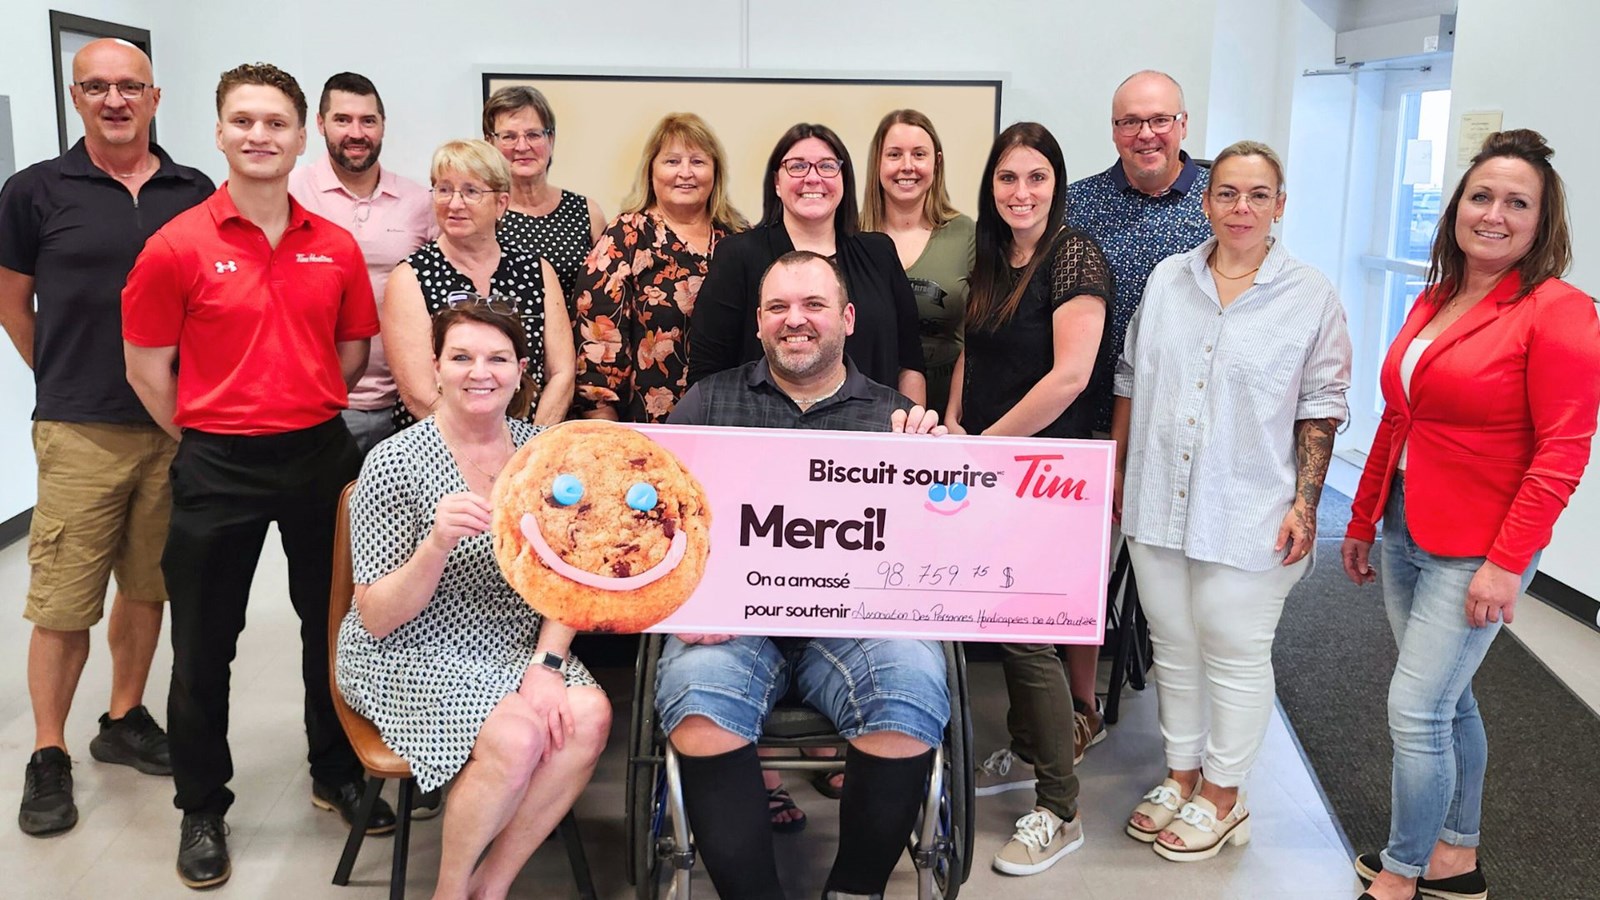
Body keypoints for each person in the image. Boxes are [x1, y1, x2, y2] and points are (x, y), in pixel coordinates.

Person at [121, 62, 389, 890]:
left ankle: (334, 771)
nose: (259, 136)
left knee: (333, 628)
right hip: (217, 465)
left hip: (318, 455)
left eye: (276, 123)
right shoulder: (176, 245)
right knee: (205, 644)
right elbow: (146, 369)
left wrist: (298, 406)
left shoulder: (335, 245)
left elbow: (351, 355)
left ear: (299, 135)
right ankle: (203, 806)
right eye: (244, 121)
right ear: (219, 132)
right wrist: (214, 429)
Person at [1340, 129, 1600, 900]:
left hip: (1475, 547)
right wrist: (1360, 519)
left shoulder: (1560, 313)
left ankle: (1403, 869)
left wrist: (1508, 563)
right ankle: (1454, 856)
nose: (1494, 214)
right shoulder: (1438, 295)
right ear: (1457, 207)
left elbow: (1562, 452)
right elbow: (1398, 415)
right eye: (1481, 196)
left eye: (1516, 203)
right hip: (1404, 524)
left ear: (1541, 222)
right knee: (1447, 701)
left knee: (1415, 710)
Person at [661, 250, 950, 900]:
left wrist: (932, 476)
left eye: (814, 305)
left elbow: (933, 551)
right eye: (779, 308)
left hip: (853, 627)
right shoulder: (706, 405)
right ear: (760, 324)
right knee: (698, 695)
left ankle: (852, 890)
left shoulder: (895, 418)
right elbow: (663, 535)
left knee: (910, 686)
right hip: (733, 624)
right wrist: (685, 606)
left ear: (847, 318)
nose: (797, 320)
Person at [1113, 140, 1351, 862]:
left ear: (1280, 205)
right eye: (1226, 193)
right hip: (1158, 501)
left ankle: (1225, 793)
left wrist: (1306, 504)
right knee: (1175, 650)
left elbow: (1321, 402)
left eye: (1256, 195)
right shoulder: (1167, 280)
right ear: (1207, 201)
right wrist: (1120, 473)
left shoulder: (1309, 294)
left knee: (1235, 651)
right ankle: (1182, 775)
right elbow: (1129, 376)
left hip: (1251, 505)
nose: (1240, 208)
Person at [0, 37, 213, 837]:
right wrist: (67, 376)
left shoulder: (193, 190)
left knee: (149, 584)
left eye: (130, 87)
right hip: (79, 428)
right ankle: (48, 752)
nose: (115, 100)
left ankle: (124, 717)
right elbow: (14, 303)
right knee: (63, 600)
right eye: (97, 87)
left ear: (155, 97)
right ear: (76, 96)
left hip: (173, 425)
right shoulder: (34, 191)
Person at [337, 303, 610, 900]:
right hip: (407, 648)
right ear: (435, 368)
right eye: (461, 357)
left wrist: (547, 665)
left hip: (518, 641)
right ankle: (450, 891)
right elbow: (378, 616)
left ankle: (492, 885)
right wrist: (434, 546)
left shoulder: (547, 455)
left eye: (497, 359)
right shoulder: (393, 462)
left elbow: (575, 578)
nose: (478, 372)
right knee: (517, 738)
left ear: (520, 373)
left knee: (588, 718)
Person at [945, 122, 1112, 877]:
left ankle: (1059, 807)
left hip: (1050, 472)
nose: (1021, 192)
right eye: (1008, 178)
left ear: (1057, 184)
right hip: (991, 465)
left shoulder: (1074, 255)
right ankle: (1036, 744)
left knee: (1026, 630)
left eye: (1036, 177)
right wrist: (954, 425)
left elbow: (1070, 377)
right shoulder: (993, 258)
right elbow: (971, 354)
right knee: (1003, 618)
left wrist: (987, 445)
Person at [1063, 69, 1213, 755]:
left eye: (1159, 120)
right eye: (1130, 122)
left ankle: (1198, 734)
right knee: (1083, 573)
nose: (1145, 134)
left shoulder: (1224, 197)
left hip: (1193, 429)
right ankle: (1079, 705)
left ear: (1183, 123)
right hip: (1095, 419)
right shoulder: (1080, 203)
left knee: (1191, 583)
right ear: (1113, 128)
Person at [688, 123, 927, 405]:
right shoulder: (737, 255)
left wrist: (911, 440)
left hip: (872, 436)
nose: (812, 178)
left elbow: (910, 363)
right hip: (763, 435)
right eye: (798, 166)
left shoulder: (879, 252)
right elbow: (707, 373)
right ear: (777, 182)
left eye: (827, 166)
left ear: (843, 180)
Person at [290, 71, 436, 454]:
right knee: (324, 515)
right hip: (320, 404)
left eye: (368, 120)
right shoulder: (290, 193)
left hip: (406, 404)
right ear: (320, 125)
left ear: (383, 126)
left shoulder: (418, 200)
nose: (356, 132)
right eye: (342, 120)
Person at [385, 140, 574, 429]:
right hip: (438, 446)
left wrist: (529, 444)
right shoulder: (410, 277)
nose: (454, 203)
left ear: (501, 203)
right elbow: (419, 394)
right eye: (444, 189)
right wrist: (478, 445)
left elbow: (562, 373)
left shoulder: (537, 271)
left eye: (471, 191)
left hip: (530, 444)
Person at [573, 112, 747, 423]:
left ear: (715, 171)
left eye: (697, 162)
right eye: (672, 161)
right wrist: (609, 432)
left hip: (731, 421)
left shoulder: (740, 238)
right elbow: (599, 345)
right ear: (651, 170)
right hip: (647, 427)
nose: (685, 173)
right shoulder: (626, 236)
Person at [861, 109, 975, 414]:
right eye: (895, 154)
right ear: (878, 163)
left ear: (936, 162)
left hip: (953, 405)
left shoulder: (967, 234)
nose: (907, 166)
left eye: (919, 154)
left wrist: (955, 411)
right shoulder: (850, 237)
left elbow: (984, 334)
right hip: (867, 401)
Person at [482, 85, 604, 301]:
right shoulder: (481, 213)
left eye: (533, 135)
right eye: (508, 136)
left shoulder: (587, 212)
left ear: (551, 139)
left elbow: (608, 293)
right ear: (489, 142)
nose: (522, 146)